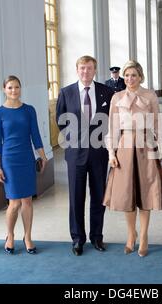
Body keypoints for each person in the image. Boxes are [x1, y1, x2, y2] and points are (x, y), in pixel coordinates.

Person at [103, 60, 162, 257]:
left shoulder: (150, 95)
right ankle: (131, 235)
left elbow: (157, 124)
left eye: (134, 75)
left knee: (146, 192)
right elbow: (112, 127)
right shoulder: (117, 97)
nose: (130, 79)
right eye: (127, 75)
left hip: (147, 144)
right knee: (126, 194)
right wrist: (111, 153)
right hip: (124, 145)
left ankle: (145, 236)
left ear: (140, 76)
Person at [56, 55, 114, 256]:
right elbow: (61, 121)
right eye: (82, 68)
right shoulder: (66, 92)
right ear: (77, 70)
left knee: (98, 196)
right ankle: (78, 239)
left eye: (89, 68)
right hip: (75, 154)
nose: (85, 72)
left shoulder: (107, 92)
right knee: (76, 197)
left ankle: (97, 237)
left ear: (95, 70)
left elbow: (110, 121)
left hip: (99, 153)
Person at [0, 76, 47, 255]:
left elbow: (36, 135)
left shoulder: (29, 110)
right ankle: (10, 235)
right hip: (9, 161)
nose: (14, 90)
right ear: (4, 89)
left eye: (16, 87)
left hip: (26, 159)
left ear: (20, 88)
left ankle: (28, 237)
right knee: (14, 203)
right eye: (10, 88)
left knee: (28, 201)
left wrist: (43, 156)